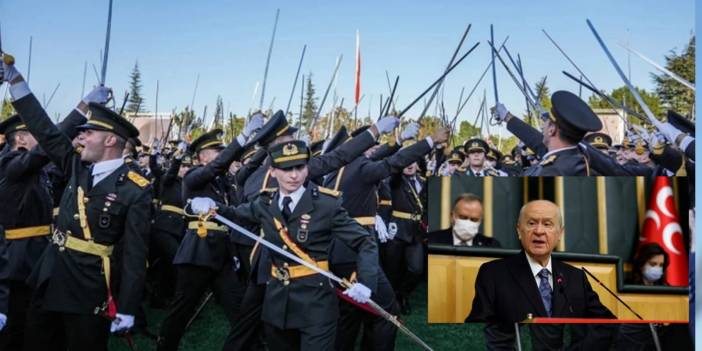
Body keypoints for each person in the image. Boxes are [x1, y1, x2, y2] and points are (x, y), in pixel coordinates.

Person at [3, 57, 152, 351]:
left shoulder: (136, 188)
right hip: (50, 275)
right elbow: (45, 130)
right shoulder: (75, 165)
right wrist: (16, 81)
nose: (80, 138)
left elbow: (135, 255)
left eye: (88, 133)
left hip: (89, 287)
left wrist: (128, 307)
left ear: (110, 141)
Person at [191, 139, 378, 350]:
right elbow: (236, 214)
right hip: (277, 302)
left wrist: (366, 281)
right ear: (272, 171)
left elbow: (364, 241)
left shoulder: (326, 205)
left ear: (307, 170)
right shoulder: (265, 203)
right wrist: (212, 206)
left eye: (299, 167)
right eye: (286, 168)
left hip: (315, 302)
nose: (294, 175)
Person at [466, 200, 615, 349]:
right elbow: (477, 331)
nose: (539, 231)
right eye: (531, 223)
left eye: (547, 224)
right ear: (519, 230)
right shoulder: (494, 273)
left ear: (560, 233)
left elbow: (607, 324)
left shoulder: (575, 277)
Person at [493, 90, 603, 175]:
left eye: (545, 122)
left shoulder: (552, 171)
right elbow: (539, 144)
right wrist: (507, 117)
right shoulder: (575, 156)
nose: (542, 126)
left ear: (552, 129)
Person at [428, 193, 501, 247]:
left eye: (474, 219)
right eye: (463, 217)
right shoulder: (432, 241)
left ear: (480, 221)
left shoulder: (491, 245)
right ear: (452, 216)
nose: (468, 222)